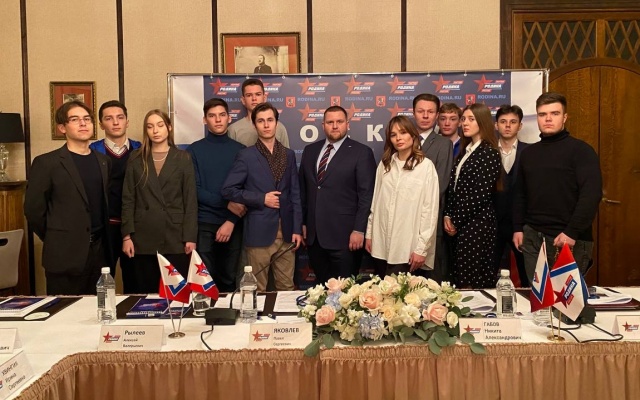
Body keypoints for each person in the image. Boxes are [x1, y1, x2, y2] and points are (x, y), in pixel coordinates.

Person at [25, 101, 111, 295]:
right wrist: (56, 235)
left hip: (99, 253)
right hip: (64, 253)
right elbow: (33, 211)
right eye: (75, 119)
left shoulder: (103, 161)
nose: (83, 123)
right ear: (62, 128)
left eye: (87, 119)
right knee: (64, 310)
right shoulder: (46, 163)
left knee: (100, 308)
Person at [513, 92, 602, 280]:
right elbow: (520, 194)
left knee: (565, 298)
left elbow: (591, 195)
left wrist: (572, 232)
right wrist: (518, 228)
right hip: (532, 238)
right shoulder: (528, 154)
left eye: (554, 113)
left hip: (568, 239)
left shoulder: (581, 151)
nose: (548, 119)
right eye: (542, 114)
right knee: (537, 297)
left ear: (565, 117)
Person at [222, 102, 302, 291]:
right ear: (254, 124)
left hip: (287, 232)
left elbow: (295, 193)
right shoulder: (246, 156)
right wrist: (261, 198)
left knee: (286, 287)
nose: (266, 125)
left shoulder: (289, 155)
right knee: (257, 289)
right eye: (261, 121)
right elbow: (228, 190)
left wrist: (297, 228)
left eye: (270, 120)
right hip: (259, 232)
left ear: (276, 123)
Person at [121, 109, 197, 293]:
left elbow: (190, 199)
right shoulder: (136, 158)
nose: (155, 130)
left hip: (175, 235)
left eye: (160, 125)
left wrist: (190, 237)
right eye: (150, 127)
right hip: (143, 234)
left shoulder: (182, 157)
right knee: (145, 292)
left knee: (176, 294)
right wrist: (126, 236)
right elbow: (128, 198)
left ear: (169, 127)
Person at [299, 106, 376, 284]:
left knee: (345, 292)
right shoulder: (310, 150)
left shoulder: (361, 152)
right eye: (330, 122)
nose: (335, 126)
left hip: (346, 238)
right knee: (321, 291)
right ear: (323, 125)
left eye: (339, 121)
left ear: (347, 124)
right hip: (315, 238)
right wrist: (302, 222)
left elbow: (366, 196)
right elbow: (303, 190)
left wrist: (359, 230)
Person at [365, 115, 439, 276]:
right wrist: (370, 234)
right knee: (381, 289)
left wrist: (421, 248)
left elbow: (430, 211)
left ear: (413, 135)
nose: (398, 138)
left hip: (408, 248)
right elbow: (375, 203)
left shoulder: (425, 167)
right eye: (393, 135)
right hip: (380, 244)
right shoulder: (385, 165)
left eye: (403, 132)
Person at [187, 98, 246, 293]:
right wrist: (226, 203)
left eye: (222, 115)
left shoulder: (241, 151)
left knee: (229, 279)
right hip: (204, 224)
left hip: (233, 224)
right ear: (205, 120)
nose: (218, 120)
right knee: (205, 282)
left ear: (229, 118)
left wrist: (231, 220)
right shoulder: (194, 150)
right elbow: (194, 189)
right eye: (212, 116)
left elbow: (244, 192)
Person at [444, 103, 502, 288]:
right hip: (461, 223)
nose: (465, 123)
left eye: (471, 119)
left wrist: (455, 220)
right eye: (463, 119)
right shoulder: (466, 150)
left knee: (474, 280)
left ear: (483, 122)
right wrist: (448, 215)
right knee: (460, 277)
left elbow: (479, 194)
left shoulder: (489, 152)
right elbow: (454, 187)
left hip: (478, 224)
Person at [89, 100, 141, 293]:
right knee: (102, 282)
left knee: (136, 282)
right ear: (101, 124)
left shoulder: (140, 150)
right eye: (109, 119)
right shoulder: (92, 151)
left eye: (120, 117)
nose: (116, 122)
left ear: (127, 121)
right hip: (105, 227)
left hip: (135, 226)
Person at [412, 93, 453, 282]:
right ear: (414, 113)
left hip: (430, 219)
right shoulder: (403, 139)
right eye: (421, 111)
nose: (425, 116)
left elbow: (441, 183)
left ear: (437, 115)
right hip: (403, 222)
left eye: (430, 112)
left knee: (431, 280)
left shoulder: (444, 144)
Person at [493, 104, 529, 287]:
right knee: (489, 274)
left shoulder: (530, 152)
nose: (507, 126)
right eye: (503, 121)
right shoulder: (487, 151)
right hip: (493, 223)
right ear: (496, 125)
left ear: (520, 126)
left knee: (527, 274)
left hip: (521, 225)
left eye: (513, 122)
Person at [228, 78, 289, 148]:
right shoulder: (234, 129)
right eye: (249, 95)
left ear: (264, 98)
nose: (254, 98)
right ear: (243, 100)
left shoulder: (279, 128)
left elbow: (286, 153)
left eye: (258, 94)